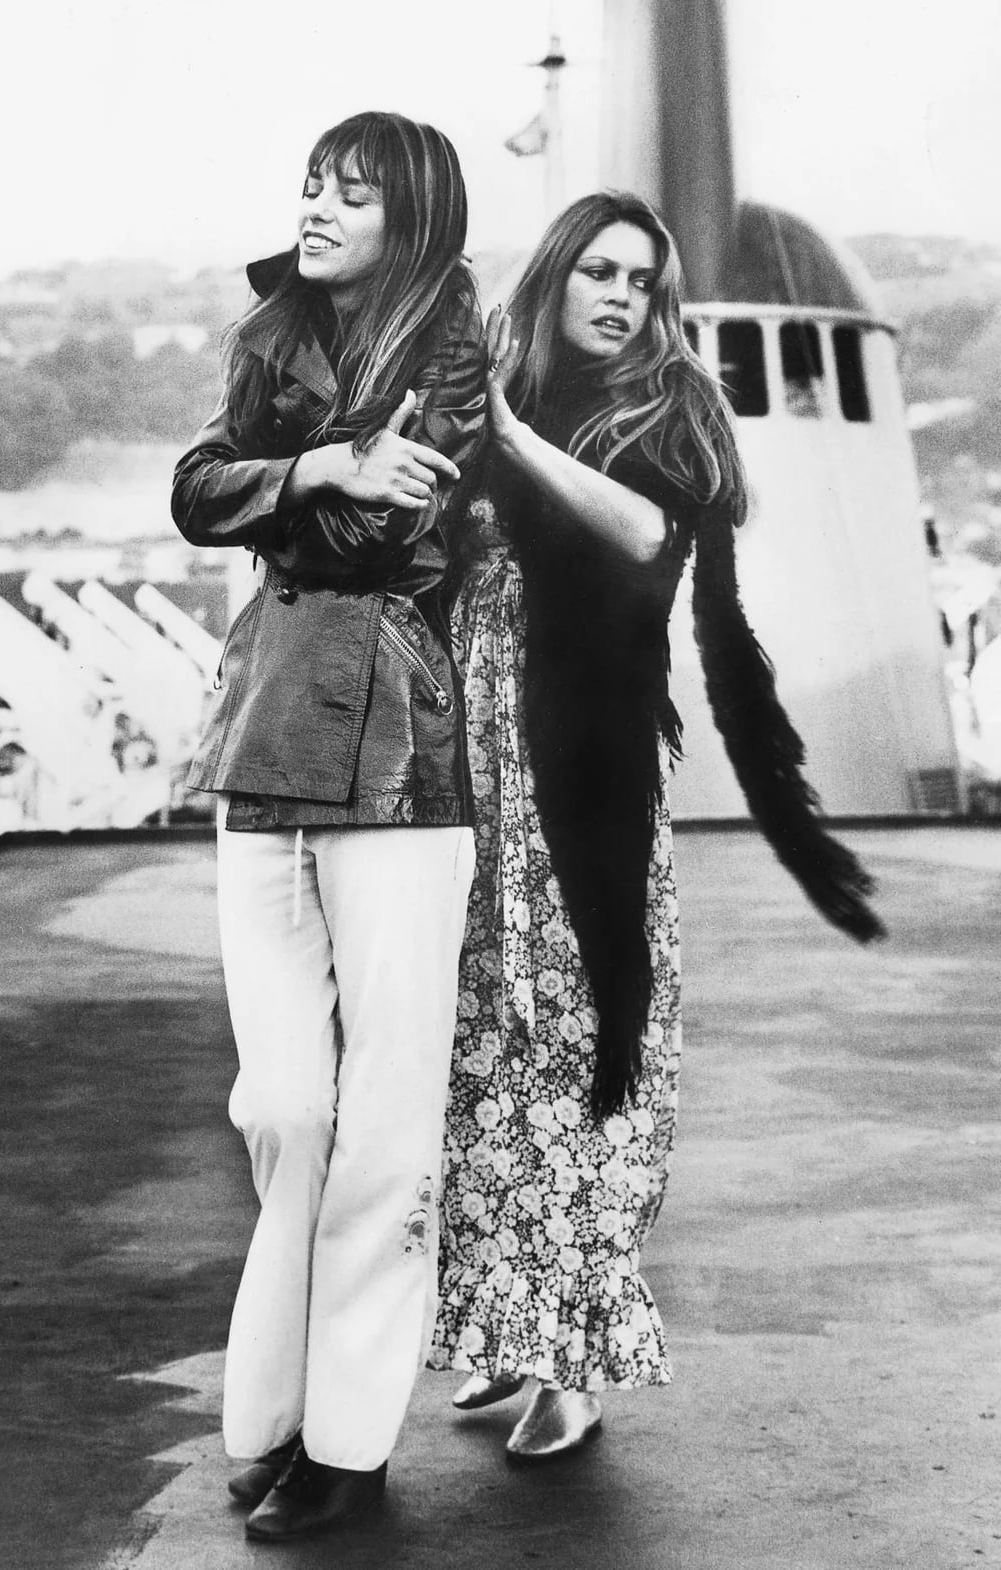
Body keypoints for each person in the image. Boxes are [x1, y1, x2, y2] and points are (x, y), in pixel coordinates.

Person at [430, 192, 882, 1462]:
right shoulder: (505, 385)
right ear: (557, 277)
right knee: (483, 1047)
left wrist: (505, 437)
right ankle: (512, 1327)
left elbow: (640, 542)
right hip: (473, 755)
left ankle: (578, 1357)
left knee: (580, 1047)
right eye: (600, 271)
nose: (623, 295)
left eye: (643, 278)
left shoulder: (673, 410)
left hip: (583, 771)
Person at [171, 111, 484, 1541]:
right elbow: (195, 490)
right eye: (310, 183)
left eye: (351, 194)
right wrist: (322, 468)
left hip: (400, 768)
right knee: (286, 1107)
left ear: (409, 219)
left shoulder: (458, 354)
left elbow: (390, 543)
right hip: (263, 750)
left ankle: (345, 1444)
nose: (317, 208)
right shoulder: (268, 335)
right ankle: (271, 1412)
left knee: (386, 1129)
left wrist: (291, 484)